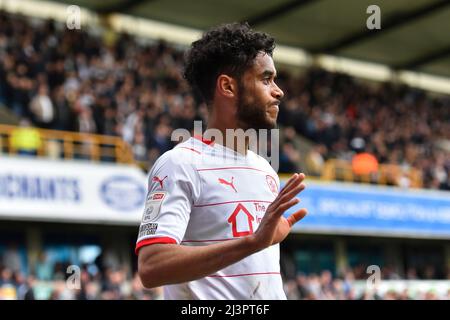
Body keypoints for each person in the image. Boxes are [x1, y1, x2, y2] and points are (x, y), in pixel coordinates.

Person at [136, 22, 308, 299]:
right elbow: (152, 266)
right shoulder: (180, 164)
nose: (279, 91)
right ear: (228, 87)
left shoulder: (264, 169)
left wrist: (258, 243)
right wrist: (252, 242)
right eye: (266, 79)